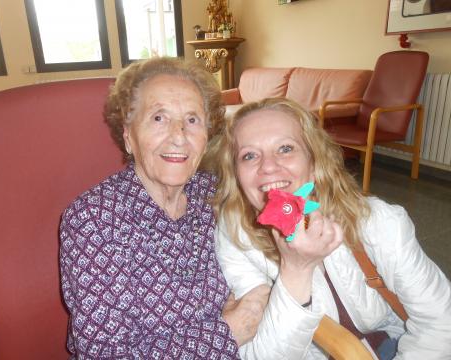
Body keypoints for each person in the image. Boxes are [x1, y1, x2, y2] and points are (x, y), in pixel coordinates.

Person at [59, 57, 269, 359]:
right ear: (129, 136)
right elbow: (106, 355)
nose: (179, 135)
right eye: (159, 118)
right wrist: (227, 331)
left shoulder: (216, 194)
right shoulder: (93, 221)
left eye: (193, 120)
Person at [212, 97, 451, 359]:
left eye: (285, 149)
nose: (268, 166)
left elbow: (440, 324)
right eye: (249, 155)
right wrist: (296, 270)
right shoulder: (235, 236)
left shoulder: (379, 224)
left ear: (313, 163)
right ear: (236, 174)